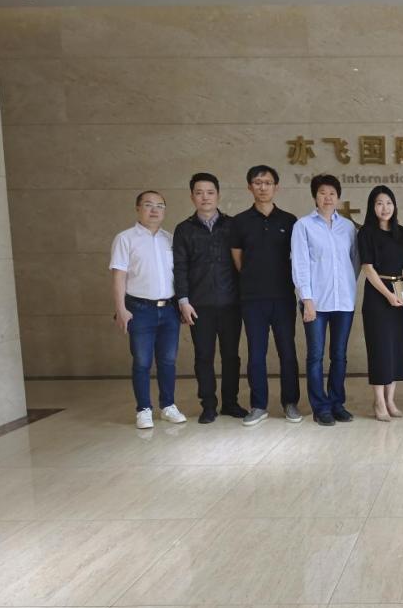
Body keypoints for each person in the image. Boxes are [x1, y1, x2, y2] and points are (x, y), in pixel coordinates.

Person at [173, 172, 248, 424]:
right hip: (199, 305)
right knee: (203, 356)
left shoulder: (232, 225)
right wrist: (183, 301)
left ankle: (230, 403)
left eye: (210, 192)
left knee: (231, 356)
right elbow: (180, 267)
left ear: (218, 195)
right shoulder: (184, 229)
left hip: (231, 303)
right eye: (199, 193)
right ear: (192, 196)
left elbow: (242, 263)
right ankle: (208, 405)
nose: (205, 197)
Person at [229, 165, 301, 426]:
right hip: (252, 299)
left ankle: (290, 402)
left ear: (276, 187)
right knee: (256, 354)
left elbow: (297, 258)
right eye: (257, 183)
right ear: (250, 187)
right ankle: (258, 405)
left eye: (267, 183)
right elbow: (238, 259)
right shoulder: (240, 222)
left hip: (283, 296)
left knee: (287, 352)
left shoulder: (289, 221)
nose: (263, 187)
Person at [110, 190, 186, 429]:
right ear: (138, 208)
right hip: (140, 309)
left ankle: (168, 406)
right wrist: (120, 309)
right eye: (148, 205)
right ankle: (143, 409)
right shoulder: (125, 238)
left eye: (160, 206)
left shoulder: (170, 239)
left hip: (170, 309)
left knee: (168, 361)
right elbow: (119, 277)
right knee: (142, 361)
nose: (154, 210)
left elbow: (180, 275)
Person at [291, 174, 359, 427]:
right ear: (314, 196)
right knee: (316, 355)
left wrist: (348, 286)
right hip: (316, 303)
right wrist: (306, 299)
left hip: (344, 301)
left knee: (339, 355)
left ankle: (337, 403)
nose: (327, 198)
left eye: (332, 193)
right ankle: (320, 407)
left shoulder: (348, 227)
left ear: (338, 197)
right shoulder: (303, 226)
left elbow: (354, 261)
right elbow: (300, 264)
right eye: (322, 193)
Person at [358, 185, 403, 421]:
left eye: (389, 203)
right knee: (380, 348)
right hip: (377, 295)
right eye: (379, 203)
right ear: (372, 207)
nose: (385, 208)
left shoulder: (402, 232)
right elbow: (367, 268)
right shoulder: (366, 232)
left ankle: (391, 400)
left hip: (400, 291)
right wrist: (388, 295)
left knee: (396, 348)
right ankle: (379, 401)